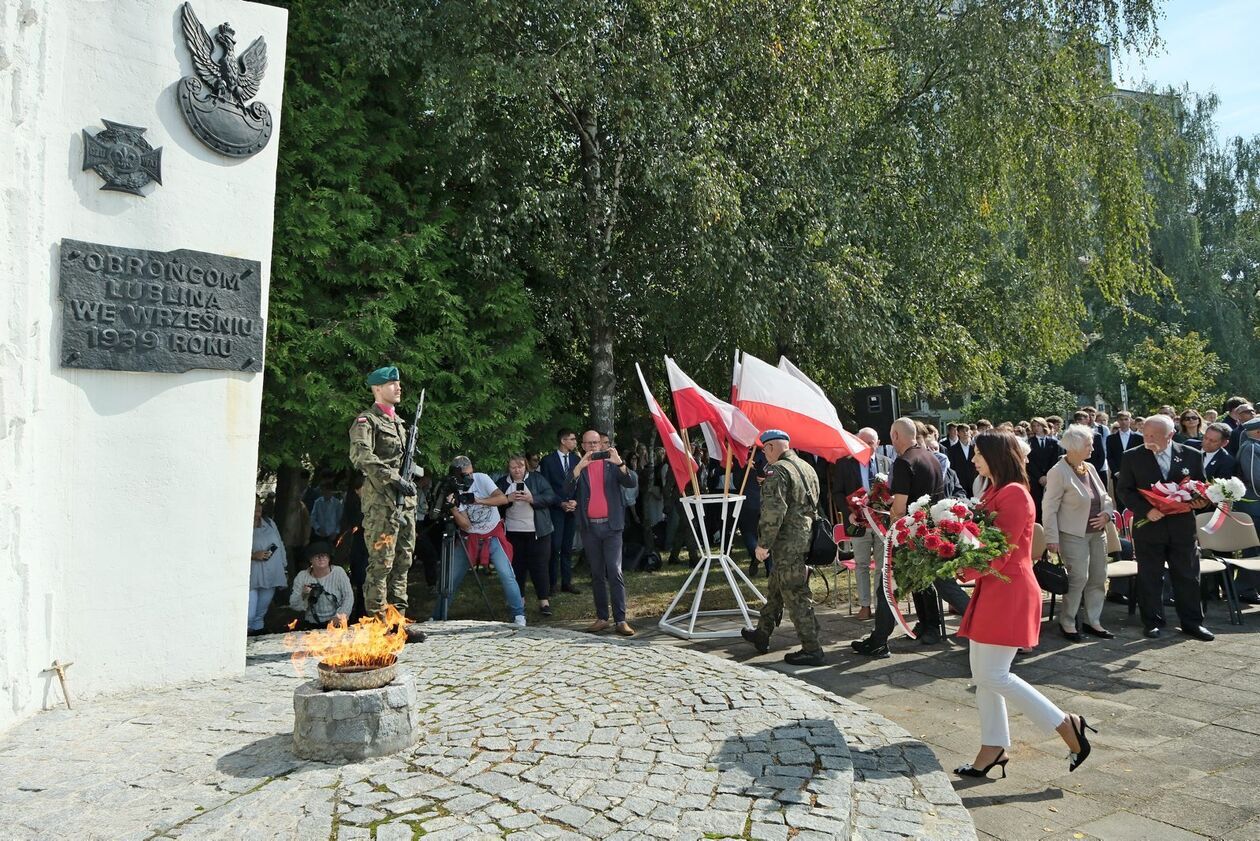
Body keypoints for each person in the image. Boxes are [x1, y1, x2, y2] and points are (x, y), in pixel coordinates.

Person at [953, 430, 1097, 778]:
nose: (973, 460)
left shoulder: (1015, 493)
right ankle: (993, 748)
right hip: (994, 588)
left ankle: (1066, 724)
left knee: (993, 674)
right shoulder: (994, 490)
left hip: (1009, 590)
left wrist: (964, 568)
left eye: (978, 453)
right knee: (984, 676)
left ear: (996, 455)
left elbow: (1001, 549)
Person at [851, 417, 947, 658]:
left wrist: (885, 518)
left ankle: (879, 640)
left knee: (886, 586)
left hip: (909, 533)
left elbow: (900, 508)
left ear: (894, 436)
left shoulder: (904, 462)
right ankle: (928, 627)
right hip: (929, 530)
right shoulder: (931, 457)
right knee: (921, 582)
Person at [1115, 414, 1213, 641]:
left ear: (1170, 435)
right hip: (1150, 526)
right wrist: (1146, 510)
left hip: (1182, 527)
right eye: (1145, 434)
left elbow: (1200, 486)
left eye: (1153, 436)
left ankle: (1192, 623)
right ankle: (1152, 622)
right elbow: (1124, 490)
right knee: (1150, 576)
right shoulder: (1132, 457)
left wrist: (1201, 501)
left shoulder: (1192, 455)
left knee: (1187, 575)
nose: (1147, 439)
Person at [740, 429, 824, 665]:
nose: (764, 456)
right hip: (804, 537)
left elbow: (773, 512)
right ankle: (762, 633)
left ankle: (812, 648)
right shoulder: (806, 467)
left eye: (764, 451)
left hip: (787, 542)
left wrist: (763, 544)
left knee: (796, 595)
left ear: (770, 448)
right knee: (776, 588)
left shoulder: (777, 471)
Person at [348, 366, 420, 631]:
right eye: (392, 384)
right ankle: (378, 626)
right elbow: (362, 457)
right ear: (377, 388)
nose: (398, 387)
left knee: (403, 561)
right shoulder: (367, 421)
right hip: (381, 503)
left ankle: (397, 623)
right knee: (381, 564)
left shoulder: (400, 424)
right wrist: (394, 479)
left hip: (405, 503)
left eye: (398, 383)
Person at [1042, 425, 1115, 641]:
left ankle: (1093, 621)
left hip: (1097, 532)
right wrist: (1051, 538)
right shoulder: (1058, 472)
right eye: (1088, 444)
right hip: (1073, 534)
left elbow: (1106, 498)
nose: (1092, 448)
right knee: (1078, 578)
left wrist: (1107, 515)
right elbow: (1049, 507)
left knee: (1099, 577)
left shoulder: (1090, 468)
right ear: (1073, 447)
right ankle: (1068, 622)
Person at [435, 456, 526, 624]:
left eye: (470, 473)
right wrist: (454, 509)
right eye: (465, 476)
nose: (469, 478)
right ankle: (438, 616)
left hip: (493, 533)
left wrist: (478, 500)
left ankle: (518, 614)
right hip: (470, 537)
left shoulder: (481, 478)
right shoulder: (452, 491)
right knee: (451, 577)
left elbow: (502, 498)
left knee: (507, 574)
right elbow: (466, 526)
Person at [567, 430, 639, 635]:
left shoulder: (611, 464)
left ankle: (621, 620)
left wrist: (620, 463)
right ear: (582, 446)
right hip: (590, 528)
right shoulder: (579, 466)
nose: (592, 446)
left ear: (601, 444)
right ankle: (602, 618)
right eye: (588, 443)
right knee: (597, 573)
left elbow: (631, 482)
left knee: (615, 572)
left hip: (612, 527)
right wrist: (580, 467)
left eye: (596, 443)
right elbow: (565, 489)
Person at [831, 427, 893, 620]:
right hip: (858, 523)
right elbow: (837, 492)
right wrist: (848, 512)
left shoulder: (887, 463)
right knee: (862, 565)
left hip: (882, 523)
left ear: (878, 444)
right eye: (862, 442)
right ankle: (865, 605)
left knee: (882, 567)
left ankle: (881, 605)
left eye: (871, 442)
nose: (867, 446)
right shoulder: (844, 464)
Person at [498, 455, 558, 617]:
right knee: (517, 566)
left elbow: (551, 497)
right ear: (508, 469)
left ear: (526, 467)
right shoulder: (503, 483)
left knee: (540, 566)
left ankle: (544, 602)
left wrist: (533, 498)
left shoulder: (538, 479)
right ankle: (520, 600)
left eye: (520, 467)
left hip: (538, 531)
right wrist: (507, 500)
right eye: (513, 468)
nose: (517, 470)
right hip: (513, 531)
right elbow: (495, 504)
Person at [538, 430, 582, 595]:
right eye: (572, 439)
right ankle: (552, 584)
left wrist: (575, 501)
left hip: (571, 509)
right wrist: (560, 503)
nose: (575, 441)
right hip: (556, 510)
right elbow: (546, 486)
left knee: (567, 547)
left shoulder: (576, 459)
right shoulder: (548, 461)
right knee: (554, 546)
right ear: (563, 441)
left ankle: (567, 582)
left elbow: (580, 483)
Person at [290, 542, 354, 629]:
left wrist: (340, 616)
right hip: (312, 623)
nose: (321, 558)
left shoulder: (338, 572)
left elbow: (349, 596)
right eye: (316, 556)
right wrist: (304, 594)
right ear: (310, 560)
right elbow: (294, 605)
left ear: (329, 558)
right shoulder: (302, 576)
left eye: (324, 555)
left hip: (336, 622)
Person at [248, 497, 287, 636]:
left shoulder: (270, 523)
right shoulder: (241, 525)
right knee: (249, 615)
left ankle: (257, 643)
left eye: (259, 504)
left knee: (260, 614)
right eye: (254, 504)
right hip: (252, 575)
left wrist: (284, 565)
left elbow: (279, 544)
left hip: (271, 574)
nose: (258, 507)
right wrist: (253, 555)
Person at [946, 423, 979, 494]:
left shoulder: (976, 448)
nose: (965, 433)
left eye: (967, 430)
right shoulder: (952, 449)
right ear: (958, 433)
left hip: (975, 481)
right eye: (962, 431)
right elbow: (952, 467)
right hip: (960, 482)